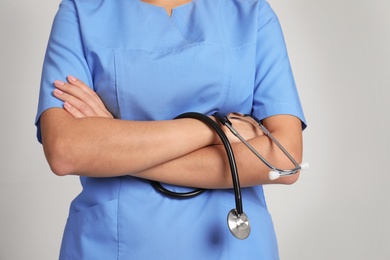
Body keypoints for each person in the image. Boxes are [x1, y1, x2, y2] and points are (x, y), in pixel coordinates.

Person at [35, 0, 306, 259]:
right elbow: (65, 151)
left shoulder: (252, 14)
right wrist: (215, 129)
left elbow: (283, 159)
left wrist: (112, 148)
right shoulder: (81, 12)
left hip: (231, 247)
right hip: (109, 244)